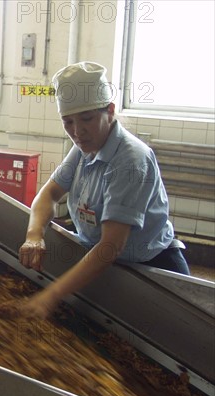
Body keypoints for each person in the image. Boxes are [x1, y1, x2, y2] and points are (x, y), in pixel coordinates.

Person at [18, 61, 189, 319]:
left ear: (110, 110)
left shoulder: (131, 160)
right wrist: (34, 235)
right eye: (68, 122)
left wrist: (50, 295)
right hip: (101, 260)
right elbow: (49, 194)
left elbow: (110, 246)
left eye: (87, 119)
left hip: (151, 268)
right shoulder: (84, 149)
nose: (77, 132)